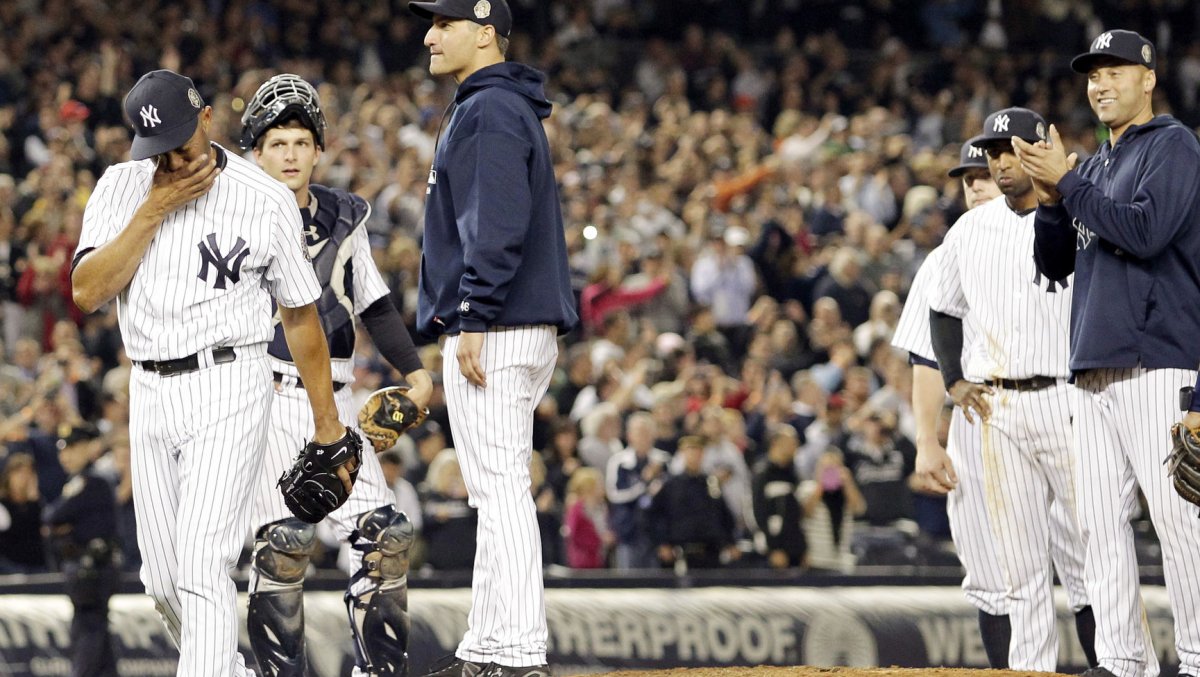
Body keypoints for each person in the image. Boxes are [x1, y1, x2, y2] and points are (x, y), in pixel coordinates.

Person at [70, 69, 352, 677]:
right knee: (163, 576)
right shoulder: (123, 186)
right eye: (159, 150)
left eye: (181, 142)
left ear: (206, 118)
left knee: (203, 563)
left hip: (229, 380)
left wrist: (327, 425)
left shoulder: (262, 196)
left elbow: (302, 317)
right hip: (148, 388)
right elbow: (88, 290)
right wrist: (152, 210)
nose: (173, 159)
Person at [1015, 29, 1200, 677]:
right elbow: (1053, 262)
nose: (1100, 83)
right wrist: (1049, 198)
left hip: (1160, 361)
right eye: (1094, 74)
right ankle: (1123, 660)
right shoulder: (1091, 165)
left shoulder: (1174, 145)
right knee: (1098, 525)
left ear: (1147, 79)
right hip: (1094, 364)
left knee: (1180, 523)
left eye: (1115, 71)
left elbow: (1145, 233)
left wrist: (1068, 182)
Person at [239, 73, 434, 677]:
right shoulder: (231, 215)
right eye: (276, 143)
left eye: (300, 141)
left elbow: (372, 303)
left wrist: (416, 371)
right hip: (260, 394)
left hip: (338, 396)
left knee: (387, 534)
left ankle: (379, 673)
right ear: (256, 152)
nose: (290, 154)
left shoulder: (343, 216)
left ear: (318, 150)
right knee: (285, 542)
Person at [408, 0, 578, 674]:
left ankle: (514, 651)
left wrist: (474, 312)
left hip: (498, 322)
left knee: (501, 487)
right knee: (493, 487)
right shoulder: (501, 104)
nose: (429, 34)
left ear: (484, 34)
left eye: (442, 23)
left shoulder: (490, 108)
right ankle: (488, 646)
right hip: (512, 322)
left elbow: (497, 220)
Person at [893, 137, 1095, 670]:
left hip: (1064, 403)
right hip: (983, 417)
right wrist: (925, 440)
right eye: (969, 178)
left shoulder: (1070, 226)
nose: (980, 183)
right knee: (993, 567)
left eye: (986, 172)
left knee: (1088, 559)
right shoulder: (951, 250)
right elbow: (927, 356)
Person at [42, 423, 119, 677]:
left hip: (92, 569)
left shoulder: (93, 481)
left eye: (73, 448)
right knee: (98, 638)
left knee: (87, 633)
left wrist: (63, 526)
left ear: (87, 447)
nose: (66, 455)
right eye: (63, 450)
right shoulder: (76, 481)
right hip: (86, 569)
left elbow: (52, 515)